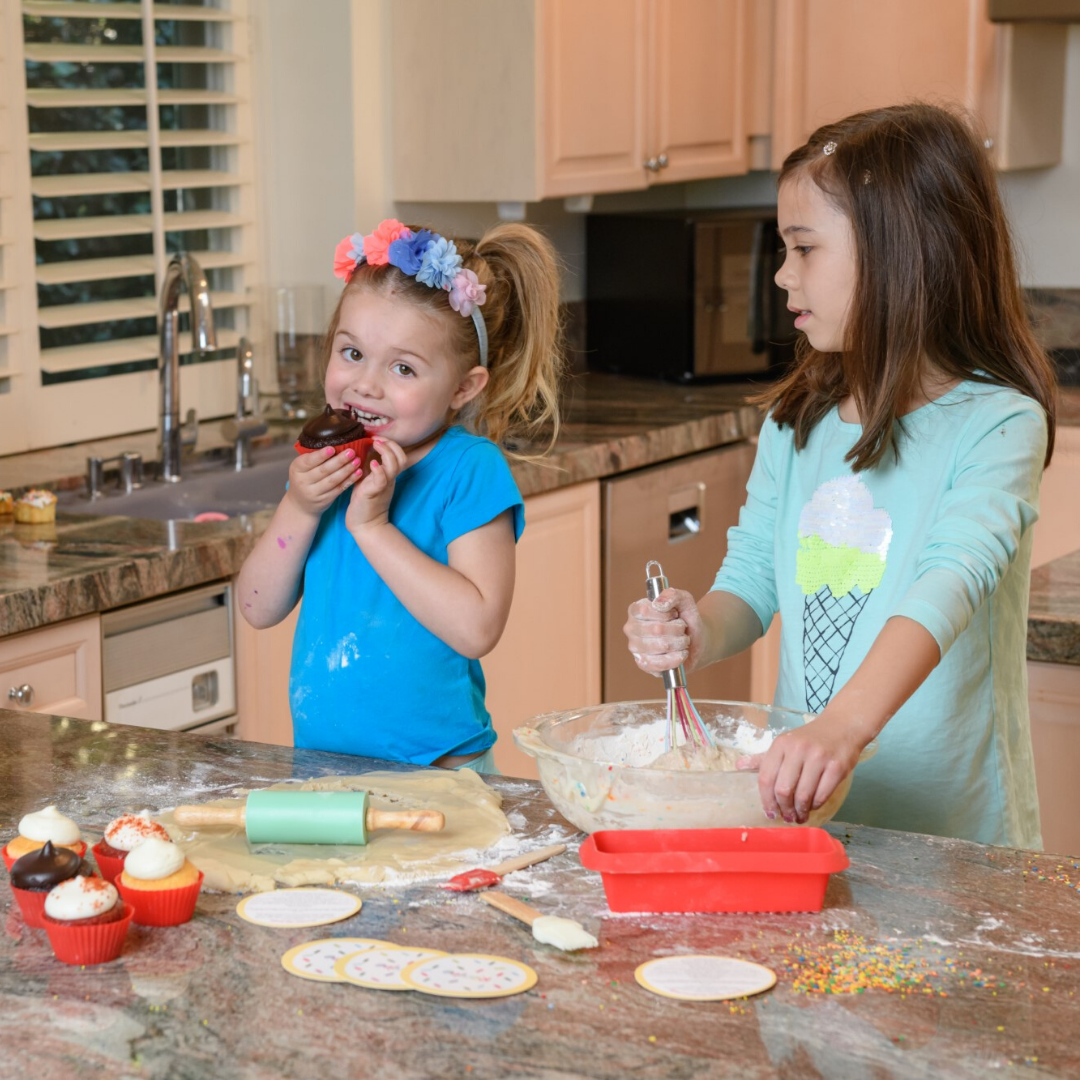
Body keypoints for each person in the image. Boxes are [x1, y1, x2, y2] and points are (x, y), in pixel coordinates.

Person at [624, 103, 1057, 848]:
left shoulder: (1000, 424)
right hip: (809, 819)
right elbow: (754, 580)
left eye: (804, 249)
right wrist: (699, 630)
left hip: (955, 840)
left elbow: (947, 584)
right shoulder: (797, 422)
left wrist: (843, 727)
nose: (783, 275)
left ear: (901, 255)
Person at [238, 219, 564, 772]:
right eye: (352, 353)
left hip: (440, 774)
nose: (366, 385)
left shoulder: (468, 470)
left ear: (464, 387)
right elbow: (256, 608)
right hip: (324, 770)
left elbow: (477, 628)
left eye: (404, 367)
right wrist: (299, 506)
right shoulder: (330, 466)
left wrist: (373, 527)